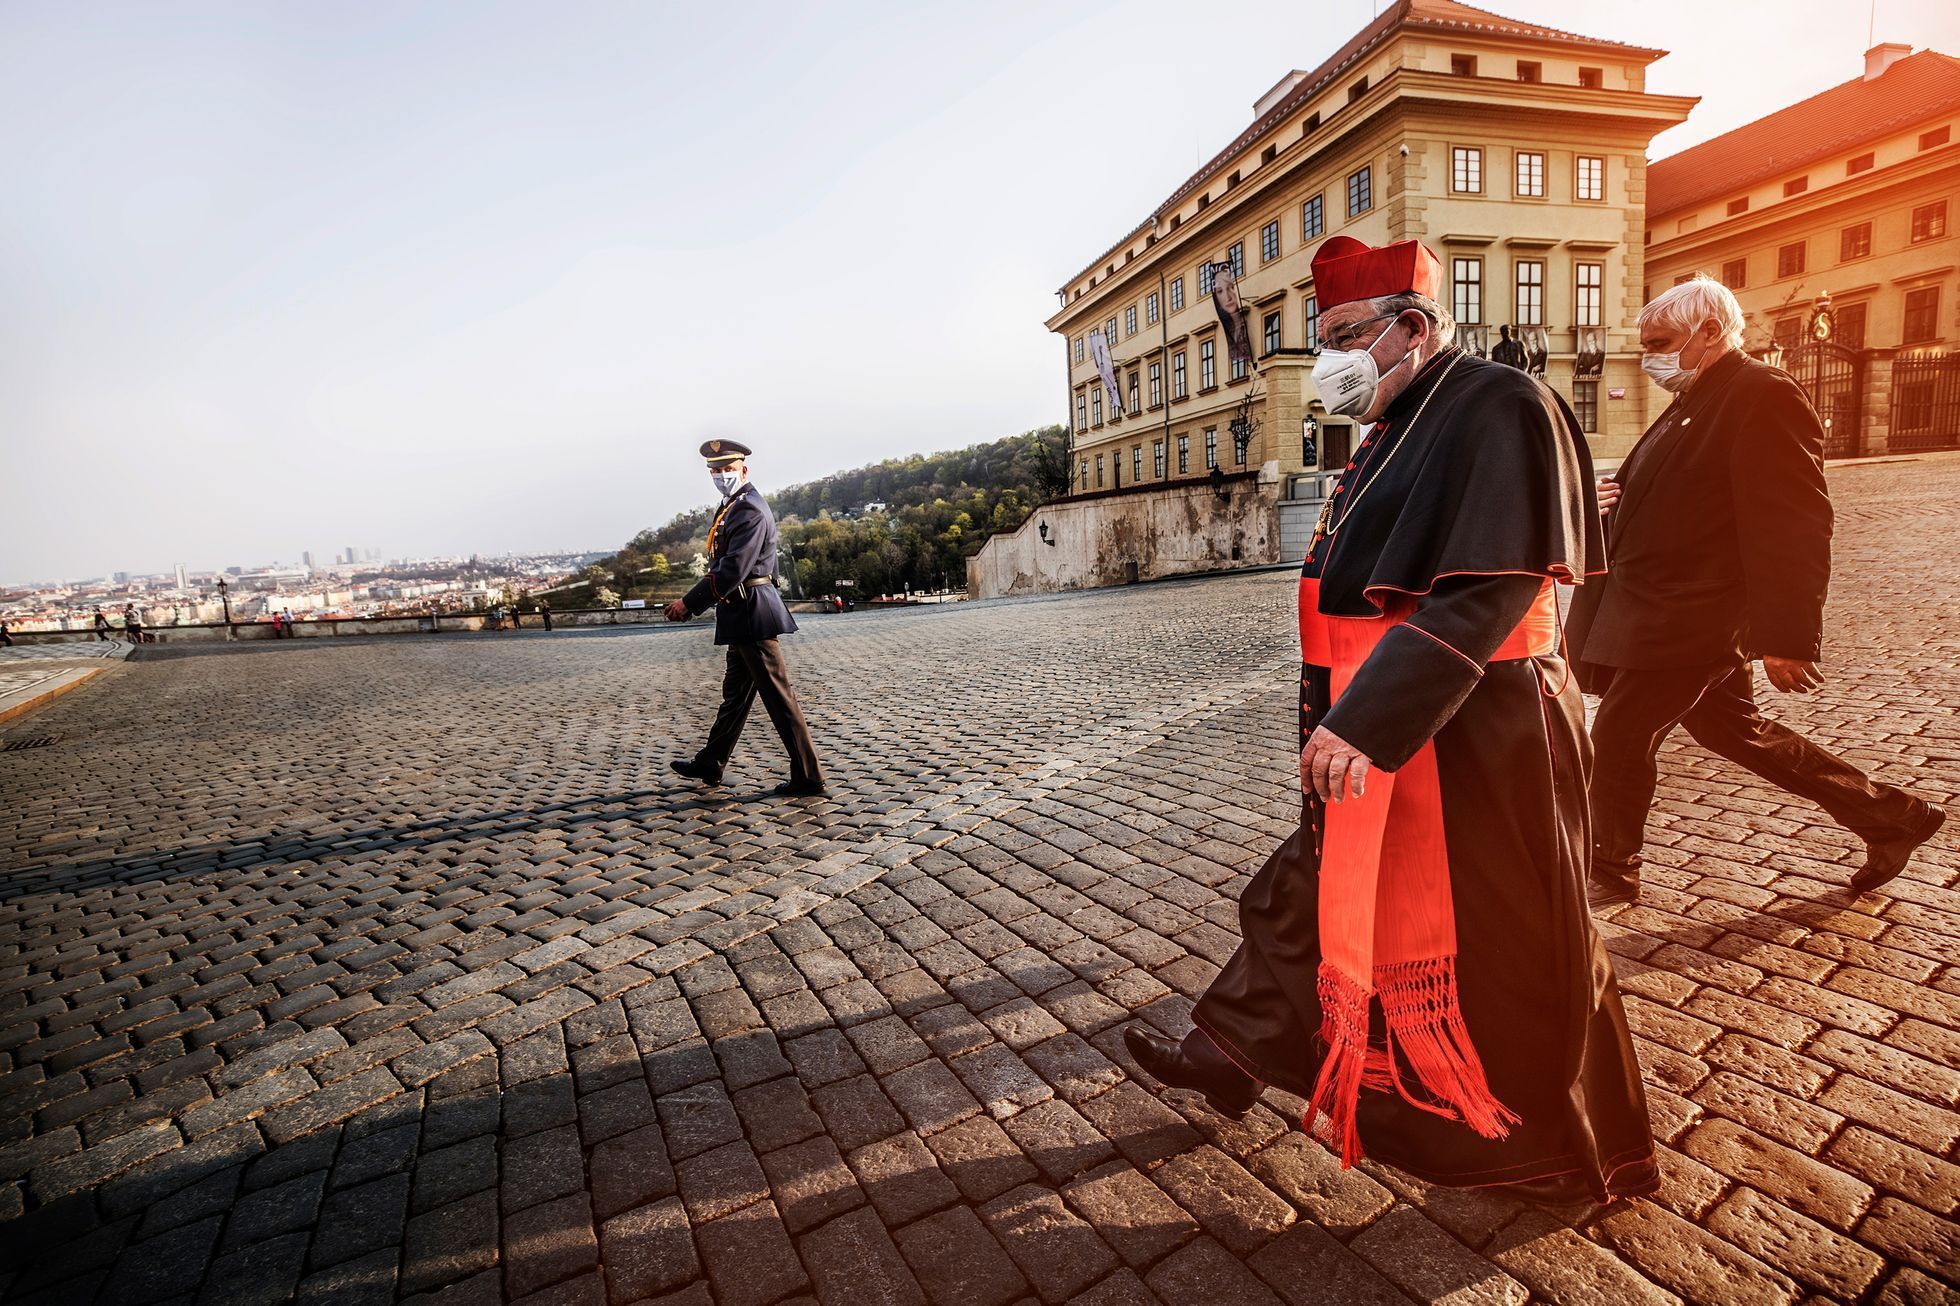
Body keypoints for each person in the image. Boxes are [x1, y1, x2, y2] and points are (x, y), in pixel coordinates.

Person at [1123, 235, 1656, 1204]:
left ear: (1410, 326)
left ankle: (1558, 1148)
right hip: (1401, 730)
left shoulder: (1499, 403)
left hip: (1483, 735)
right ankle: (1230, 1050)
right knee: (1308, 891)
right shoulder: (1393, 425)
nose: (1326, 360)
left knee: (1520, 942)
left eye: (1339, 337)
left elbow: (1485, 592)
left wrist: (1366, 722)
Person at [1570, 276, 1944, 905]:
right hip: (1663, 610)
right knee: (1734, 732)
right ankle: (1890, 817)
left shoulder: (1762, 394)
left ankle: (1611, 866)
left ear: (1709, 332)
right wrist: (1612, 500)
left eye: (1661, 342)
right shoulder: (1699, 395)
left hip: (1695, 616)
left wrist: (1787, 636)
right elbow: (1685, 493)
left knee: (1619, 733)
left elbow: (1792, 523)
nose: (1649, 358)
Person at [666, 440, 825, 797]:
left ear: (743, 470)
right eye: (715, 471)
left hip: (752, 613)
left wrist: (688, 604)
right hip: (741, 613)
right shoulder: (732, 507)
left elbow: (733, 569)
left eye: (728, 469)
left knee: (779, 699)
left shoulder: (749, 510)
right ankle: (711, 761)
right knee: (735, 697)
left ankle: (809, 776)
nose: (722, 476)